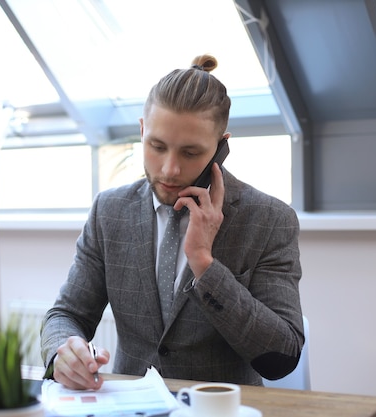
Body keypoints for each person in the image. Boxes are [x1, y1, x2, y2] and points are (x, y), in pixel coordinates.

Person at [40, 54, 303, 390]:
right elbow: (66, 315)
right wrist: (64, 352)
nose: (169, 169)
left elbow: (282, 357)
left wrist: (205, 265)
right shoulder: (110, 211)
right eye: (157, 146)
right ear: (141, 130)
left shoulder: (268, 220)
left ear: (221, 148)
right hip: (131, 410)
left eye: (190, 153)